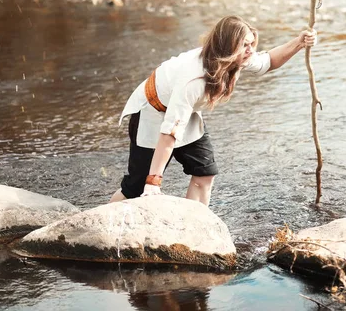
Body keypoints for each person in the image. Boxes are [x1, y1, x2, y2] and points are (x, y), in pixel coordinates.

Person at [109, 15, 317, 206]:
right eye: (245, 45)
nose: (250, 50)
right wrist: (154, 182)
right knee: (136, 188)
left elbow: (268, 62)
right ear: (227, 45)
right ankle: (100, 227)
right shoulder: (193, 79)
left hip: (184, 114)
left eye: (252, 44)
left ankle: (194, 229)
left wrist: (299, 43)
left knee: (205, 172)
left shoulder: (235, 57)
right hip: (152, 113)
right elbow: (170, 132)